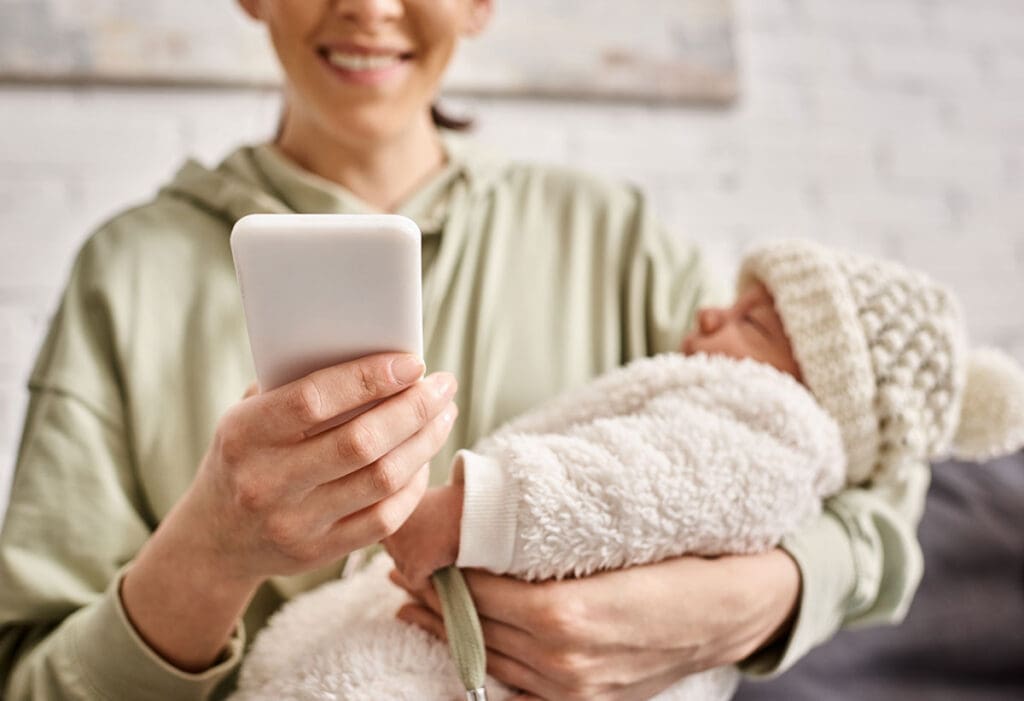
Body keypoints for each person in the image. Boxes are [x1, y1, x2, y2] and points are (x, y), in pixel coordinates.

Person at [0, 2, 935, 699]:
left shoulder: (614, 238)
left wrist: (754, 599)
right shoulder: (125, 274)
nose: (369, 7)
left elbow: (867, 473)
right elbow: (33, 681)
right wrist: (212, 549)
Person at [228, 240, 1024, 700]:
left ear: (818, 386)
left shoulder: (770, 421)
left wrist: (475, 507)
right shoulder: (727, 391)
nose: (709, 313)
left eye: (751, 319)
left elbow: (632, 483)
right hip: (439, 625)